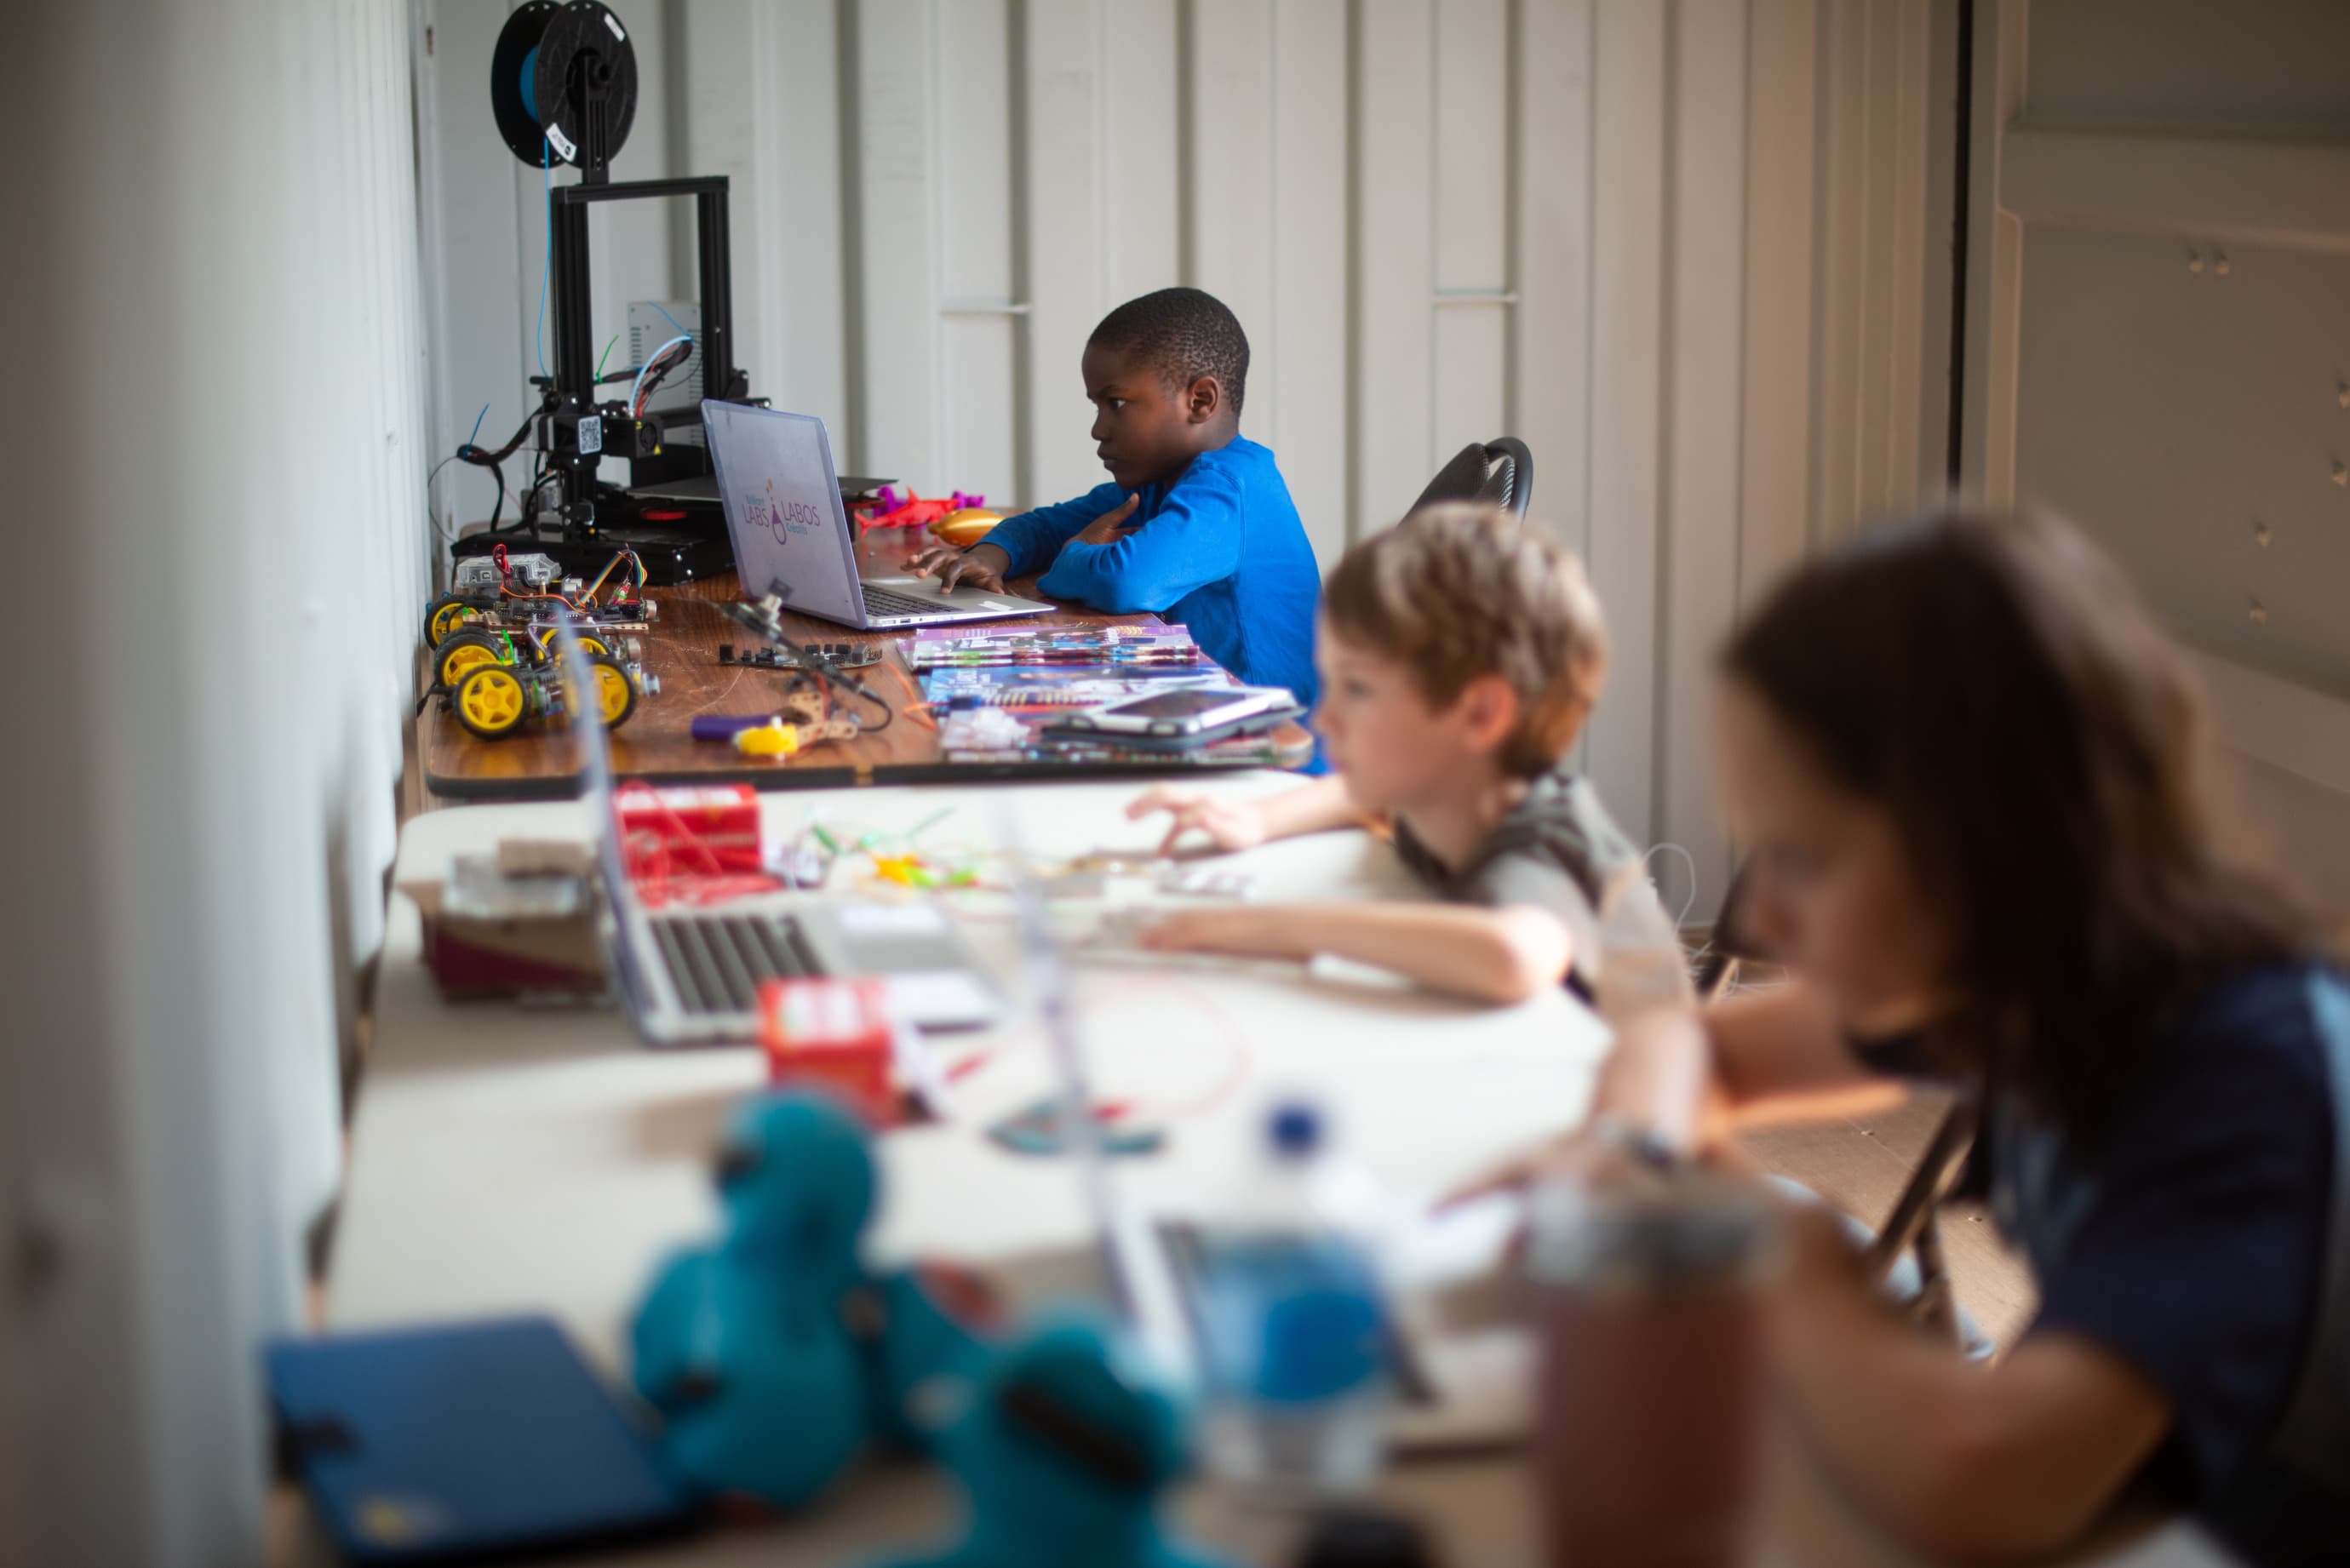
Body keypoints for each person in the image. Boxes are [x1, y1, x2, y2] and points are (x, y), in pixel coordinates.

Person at [1477, 509, 2350, 1566]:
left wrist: (1763, 1239)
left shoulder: (2243, 1071)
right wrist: (1634, 1155)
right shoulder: (2019, 975)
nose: (1763, 924)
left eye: (1803, 858)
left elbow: (1977, 1485)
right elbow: (1693, 1048)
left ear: (1991, 846)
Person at [1121, 503, 1679, 1005]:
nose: (1325, 718)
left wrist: (1268, 928)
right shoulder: (1443, 788)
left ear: (1481, 714)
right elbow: (1356, 797)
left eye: (1358, 689)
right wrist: (1250, 819)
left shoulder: (1537, 844)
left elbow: (1513, 955)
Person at [902, 286, 1321, 709]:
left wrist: (1072, 555)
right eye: (1097, 405)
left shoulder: (1231, 486)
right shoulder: (1160, 484)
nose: (1098, 429)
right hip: (1201, 715)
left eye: (1116, 403)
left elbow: (1126, 582)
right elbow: (1046, 524)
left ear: (1199, 400)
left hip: (1274, 745)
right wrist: (991, 557)